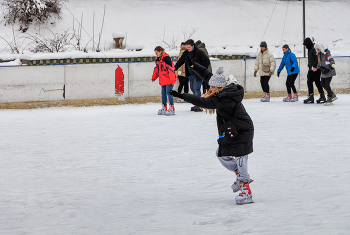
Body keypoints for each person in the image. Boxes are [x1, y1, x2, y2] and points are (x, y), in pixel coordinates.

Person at [170, 64, 254, 205]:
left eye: (213, 87)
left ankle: (246, 190)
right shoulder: (221, 89)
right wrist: (194, 65)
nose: (211, 88)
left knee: (240, 158)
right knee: (221, 153)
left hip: (243, 130)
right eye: (211, 86)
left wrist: (181, 95)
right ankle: (240, 175)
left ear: (220, 87)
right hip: (232, 130)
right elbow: (208, 76)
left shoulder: (224, 99)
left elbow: (202, 101)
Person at [174, 39, 210, 112]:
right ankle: (197, 103)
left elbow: (207, 61)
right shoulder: (186, 53)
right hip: (191, 74)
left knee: (196, 89)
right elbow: (181, 61)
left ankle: (199, 105)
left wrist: (202, 69)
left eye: (189, 47)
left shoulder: (199, 52)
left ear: (193, 46)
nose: (188, 49)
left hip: (198, 74)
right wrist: (174, 68)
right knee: (192, 88)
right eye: (187, 47)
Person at [152, 46, 177, 115]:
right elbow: (157, 69)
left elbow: (171, 69)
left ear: (161, 51)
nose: (156, 54)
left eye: (157, 52)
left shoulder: (167, 58)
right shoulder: (158, 59)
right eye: (155, 53)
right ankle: (164, 107)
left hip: (169, 80)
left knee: (169, 93)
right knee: (163, 94)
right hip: (162, 80)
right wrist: (154, 77)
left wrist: (172, 80)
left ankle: (172, 108)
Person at [303, 37, 325, 104]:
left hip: (316, 69)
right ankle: (311, 96)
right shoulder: (309, 49)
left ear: (308, 44)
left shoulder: (313, 49)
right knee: (309, 82)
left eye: (305, 45)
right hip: (311, 69)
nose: (305, 46)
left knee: (317, 82)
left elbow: (317, 59)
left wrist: (314, 66)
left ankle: (322, 96)